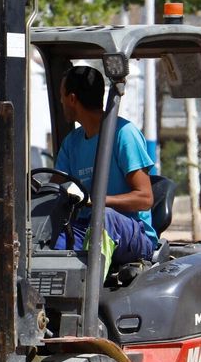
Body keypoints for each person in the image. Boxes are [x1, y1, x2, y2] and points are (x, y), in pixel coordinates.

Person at [52, 65, 158, 268]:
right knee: (46, 231)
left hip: (134, 233)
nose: (61, 102)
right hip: (88, 226)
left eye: (62, 96)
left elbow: (145, 198)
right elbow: (54, 190)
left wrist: (97, 201)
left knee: (104, 216)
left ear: (72, 99)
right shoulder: (72, 142)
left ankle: (87, 292)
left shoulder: (123, 134)